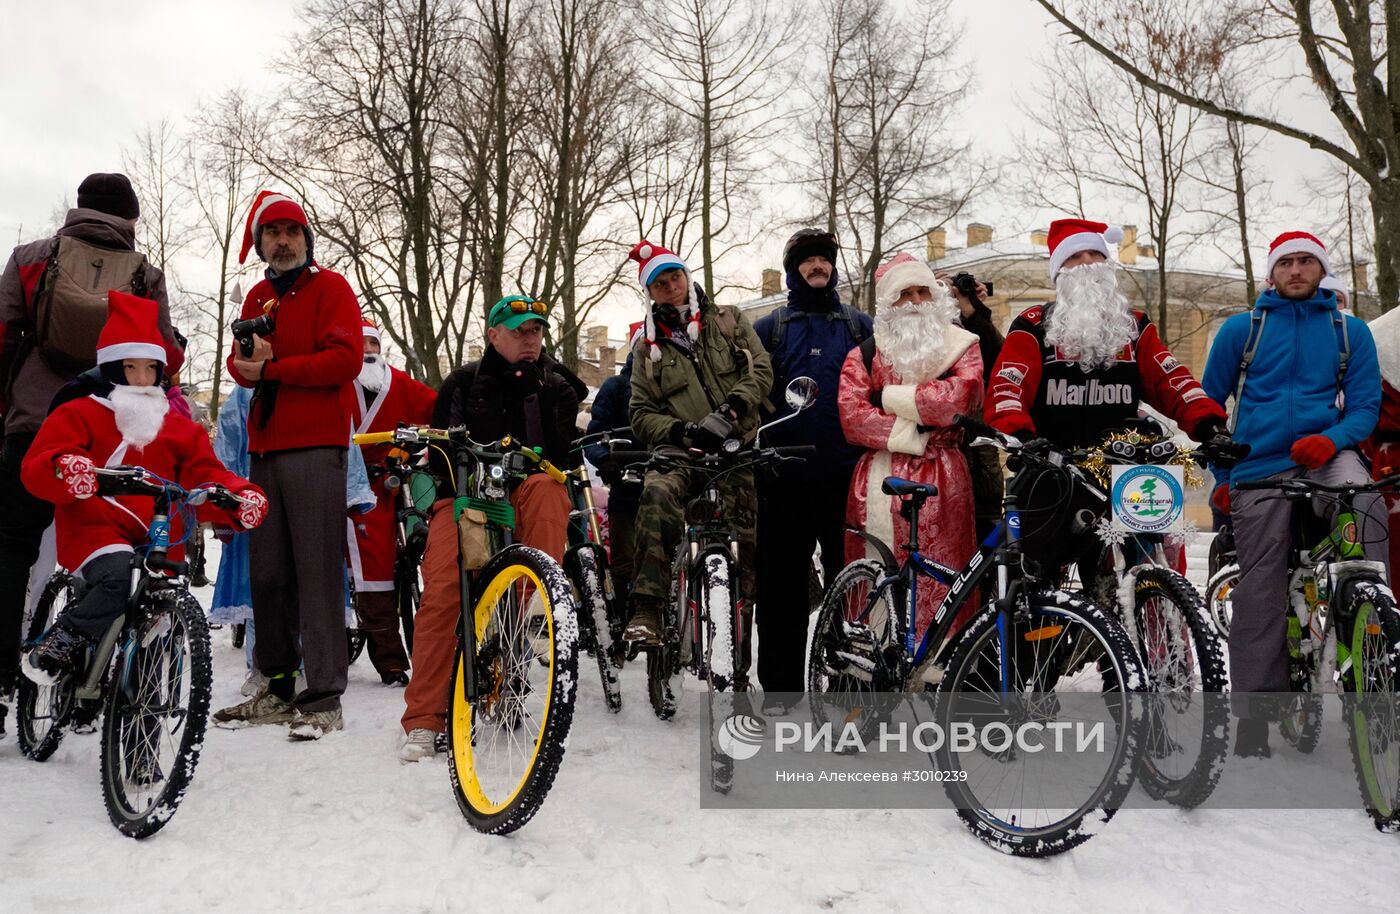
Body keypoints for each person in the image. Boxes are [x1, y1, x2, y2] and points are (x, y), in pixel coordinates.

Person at [0, 173, 184, 729]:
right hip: (114, 436)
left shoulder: (33, 257)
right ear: (131, 219)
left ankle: (0, 684)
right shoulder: (145, 275)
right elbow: (163, 353)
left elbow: (3, 335)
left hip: (35, 424)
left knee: (11, 551)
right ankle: (89, 686)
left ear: (78, 209)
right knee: (108, 548)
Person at [1202, 230, 1384, 758]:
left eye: (1307, 261)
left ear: (1321, 270)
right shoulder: (1242, 330)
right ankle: (1255, 715)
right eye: (1288, 262)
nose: (1298, 270)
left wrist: (1331, 438)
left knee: (1366, 502)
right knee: (1261, 586)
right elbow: (1209, 410)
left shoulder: (1350, 332)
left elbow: (1365, 407)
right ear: (1272, 273)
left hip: (1327, 454)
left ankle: (1370, 625)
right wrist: (1219, 478)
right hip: (1259, 466)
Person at [19, 292, 264, 681]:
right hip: (95, 525)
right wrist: (69, 468)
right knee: (116, 576)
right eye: (129, 367)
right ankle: (64, 639)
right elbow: (45, 458)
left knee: (159, 620)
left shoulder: (179, 426)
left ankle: (141, 719)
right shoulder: (80, 412)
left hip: (161, 533)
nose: (141, 378)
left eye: (150, 368)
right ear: (111, 368)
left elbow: (205, 471)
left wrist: (236, 496)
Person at [398, 295, 582, 761]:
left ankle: (534, 595)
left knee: (546, 489)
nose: (530, 339)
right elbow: (438, 455)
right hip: (468, 498)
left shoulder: (557, 387)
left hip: (525, 496)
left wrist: (542, 394)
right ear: (494, 335)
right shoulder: (461, 384)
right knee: (443, 590)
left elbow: (564, 458)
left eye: (537, 331)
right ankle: (425, 719)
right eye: (520, 331)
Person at [213, 190, 363, 740]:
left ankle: (323, 697)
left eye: (292, 232)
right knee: (269, 573)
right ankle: (277, 685)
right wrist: (244, 363)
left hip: (317, 446)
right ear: (260, 245)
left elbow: (345, 359)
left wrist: (275, 370)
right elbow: (244, 365)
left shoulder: (331, 288)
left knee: (318, 573)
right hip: (264, 448)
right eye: (272, 233)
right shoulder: (256, 295)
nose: (282, 241)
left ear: (306, 240)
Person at [625, 240, 774, 683]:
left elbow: (761, 371)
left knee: (750, 552)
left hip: (736, 448)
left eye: (675, 277)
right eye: (660, 283)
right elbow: (639, 412)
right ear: (650, 292)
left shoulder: (728, 320)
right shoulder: (645, 348)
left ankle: (739, 669)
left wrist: (730, 411)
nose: (671, 286)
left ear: (687, 278)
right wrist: (681, 431)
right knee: (656, 496)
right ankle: (648, 609)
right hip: (681, 454)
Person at [751, 229, 871, 709]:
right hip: (782, 478)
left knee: (852, 586)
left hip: (846, 477)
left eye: (824, 259)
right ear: (793, 269)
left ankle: (848, 684)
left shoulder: (860, 327)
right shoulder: (770, 328)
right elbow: (752, 391)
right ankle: (780, 691)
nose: (817, 266)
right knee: (781, 591)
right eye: (808, 260)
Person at [838, 253, 983, 638]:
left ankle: (941, 662)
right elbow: (852, 417)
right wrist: (915, 431)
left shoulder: (963, 345)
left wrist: (886, 397)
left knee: (944, 573)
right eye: (905, 293)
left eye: (923, 291)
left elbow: (958, 400)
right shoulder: (865, 353)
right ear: (889, 302)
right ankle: (875, 666)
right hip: (878, 481)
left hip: (944, 480)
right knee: (879, 580)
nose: (916, 301)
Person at [985, 218, 1227, 448]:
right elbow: (1007, 388)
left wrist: (1212, 427)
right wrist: (1020, 437)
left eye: (1095, 253)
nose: (1087, 262)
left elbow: (1171, 381)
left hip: (1127, 469)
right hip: (1051, 471)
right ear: (1059, 272)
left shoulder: (1134, 325)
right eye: (1074, 256)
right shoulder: (1033, 325)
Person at [348, 318, 437, 685]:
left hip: (391, 484)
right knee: (364, 571)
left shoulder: (399, 383)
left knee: (389, 566)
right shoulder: (336, 385)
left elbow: (439, 409)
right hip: (348, 487)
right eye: (361, 344)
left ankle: (404, 655)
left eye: (373, 344)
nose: (367, 351)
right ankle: (382, 658)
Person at [937, 269, 1004, 542]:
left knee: (986, 539)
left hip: (980, 457)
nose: (952, 293)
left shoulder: (976, 324)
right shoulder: (919, 333)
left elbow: (999, 357)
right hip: (940, 452)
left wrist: (972, 309)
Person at [585, 350, 640, 612]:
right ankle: (619, 622)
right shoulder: (616, 387)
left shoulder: (680, 381)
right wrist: (605, 459)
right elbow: (594, 435)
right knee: (623, 563)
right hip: (627, 484)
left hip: (671, 479)